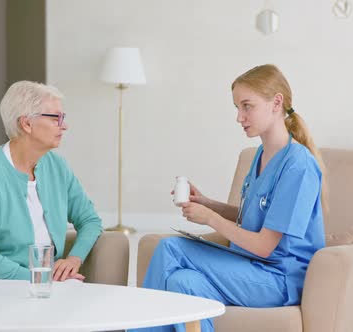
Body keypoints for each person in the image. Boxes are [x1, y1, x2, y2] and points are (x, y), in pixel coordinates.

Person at [132, 64, 326, 332]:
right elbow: (253, 217)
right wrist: (208, 203)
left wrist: (210, 219)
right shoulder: (260, 156)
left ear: (276, 103)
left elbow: (264, 246)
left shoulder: (298, 165)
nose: (239, 117)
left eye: (247, 106)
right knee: (183, 282)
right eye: (237, 107)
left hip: (277, 279)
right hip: (248, 267)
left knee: (170, 249)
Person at [0, 81, 103, 292]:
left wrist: (73, 260)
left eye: (63, 118)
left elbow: (90, 220)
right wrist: (40, 278)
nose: (64, 125)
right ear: (26, 124)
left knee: (75, 300)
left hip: (43, 276)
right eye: (56, 118)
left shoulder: (57, 166)